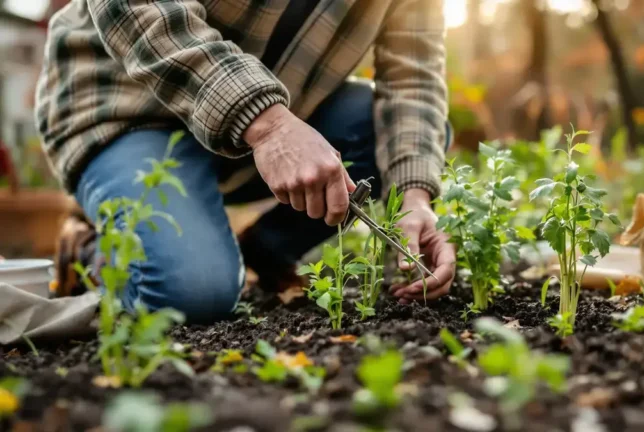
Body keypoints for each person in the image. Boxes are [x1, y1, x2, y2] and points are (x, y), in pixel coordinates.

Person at [35, 0, 456, 323]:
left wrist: (414, 199)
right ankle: (94, 250)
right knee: (190, 294)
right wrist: (268, 125)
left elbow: (412, 78)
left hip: (265, 118)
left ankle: (264, 250)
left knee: (383, 132)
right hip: (125, 109)